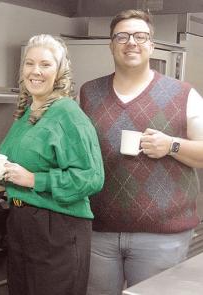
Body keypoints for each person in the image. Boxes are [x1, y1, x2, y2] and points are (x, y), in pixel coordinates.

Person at [0, 34, 104, 295]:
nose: (36, 71)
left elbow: (92, 177)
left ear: (60, 71)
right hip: (22, 222)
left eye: (45, 64)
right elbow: (25, 162)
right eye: (29, 64)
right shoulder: (30, 111)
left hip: (58, 228)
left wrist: (34, 180)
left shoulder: (68, 114)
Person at [79, 9, 203, 295]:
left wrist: (171, 145)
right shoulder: (88, 93)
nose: (131, 42)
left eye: (140, 36)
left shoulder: (183, 94)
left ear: (152, 45)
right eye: (121, 36)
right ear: (111, 45)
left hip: (162, 237)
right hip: (99, 232)